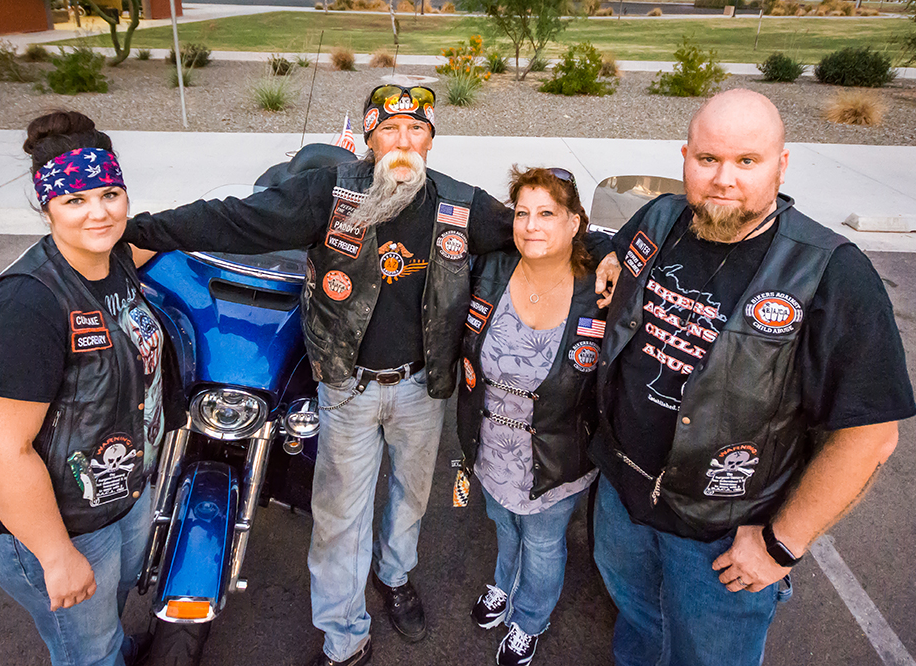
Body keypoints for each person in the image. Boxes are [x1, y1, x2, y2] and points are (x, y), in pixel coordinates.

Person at [122, 85, 614, 666]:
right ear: (370, 138)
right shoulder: (327, 194)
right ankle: (344, 637)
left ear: (430, 140)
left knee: (410, 499)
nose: (403, 141)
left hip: (421, 389)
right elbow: (235, 219)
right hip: (347, 387)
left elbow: (537, 227)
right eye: (390, 130)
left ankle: (395, 575)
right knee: (339, 518)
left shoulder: (459, 205)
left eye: (416, 130)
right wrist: (140, 231)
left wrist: (606, 248)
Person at [588, 88, 916, 666]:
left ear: (781, 165)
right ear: (685, 157)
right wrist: (611, 260)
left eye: (747, 160)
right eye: (708, 159)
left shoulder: (831, 272)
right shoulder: (659, 216)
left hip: (720, 535)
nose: (723, 179)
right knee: (637, 624)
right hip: (621, 497)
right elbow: (620, 252)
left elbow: (870, 436)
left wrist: (781, 544)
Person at [0, 110, 184, 666]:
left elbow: (171, 230)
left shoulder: (115, 259)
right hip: (56, 524)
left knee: (108, 618)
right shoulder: (27, 304)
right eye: (75, 200)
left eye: (110, 194)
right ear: (47, 207)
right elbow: (0, 450)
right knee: (88, 651)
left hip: (118, 494)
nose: (99, 213)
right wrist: (55, 554)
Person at [456, 167, 605, 666]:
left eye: (547, 213)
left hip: (557, 455)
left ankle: (529, 619)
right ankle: (503, 584)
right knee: (504, 525)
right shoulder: (492, 269)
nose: (532, 225)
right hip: (489, 445)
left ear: (574, 223)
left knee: (542, 544)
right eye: (522, 213)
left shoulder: (600, 289)